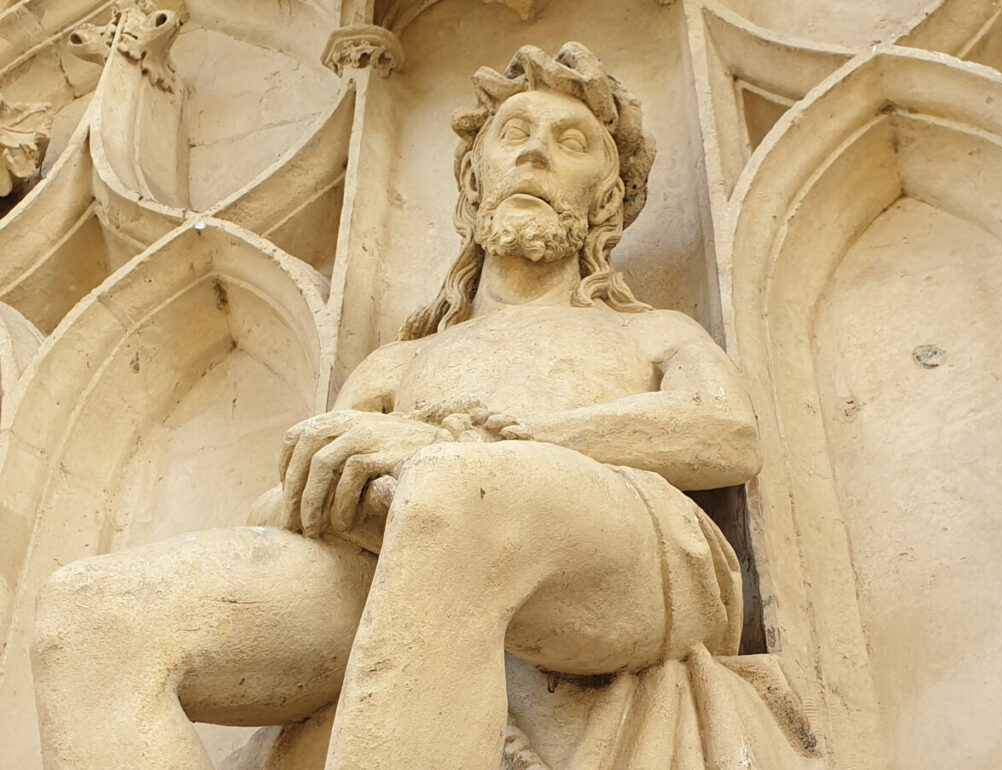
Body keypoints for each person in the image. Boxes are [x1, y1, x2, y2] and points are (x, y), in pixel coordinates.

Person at [31, 43, 760, 770]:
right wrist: (327, 484)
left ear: (602, 202)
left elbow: (726, 431)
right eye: (516, 136)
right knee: (93, 613)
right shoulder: (396, 363)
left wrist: (499, 445)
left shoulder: (650, 332)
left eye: (569, 144)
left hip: (625, 545)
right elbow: (289, 505)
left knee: (457, 490)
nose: (536, 155)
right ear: (474, 182)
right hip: (404, 543)